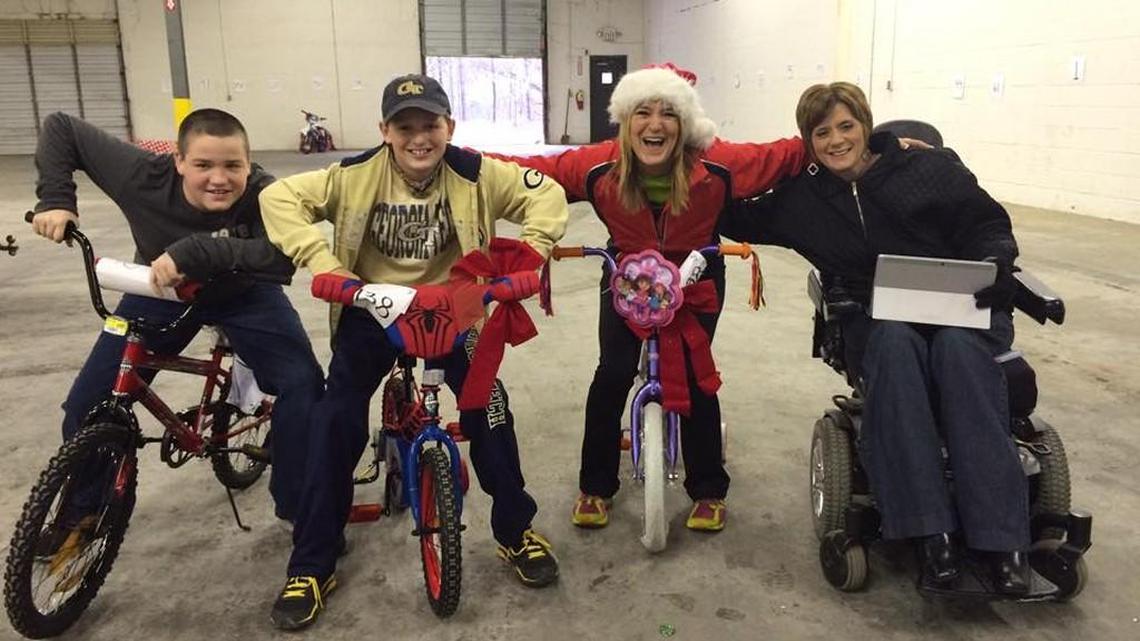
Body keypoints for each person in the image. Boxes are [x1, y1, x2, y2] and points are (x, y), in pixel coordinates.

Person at [259, 74, 568, 630]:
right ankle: (311, 563)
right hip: (372, 308)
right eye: (405, 127)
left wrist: (531, 254)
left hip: (456, 308)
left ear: (449, 126)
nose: (419, 137)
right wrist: (323, 263)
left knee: (488, 409)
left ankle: (515, 532)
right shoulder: (352, 175)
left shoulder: (476, 171)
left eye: (431, 124)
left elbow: (543, 192)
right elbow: (277, 196)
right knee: (335, 421)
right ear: (385, 131)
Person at [724, 81, 1031, 593]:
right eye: (822, 132)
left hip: (956, 303)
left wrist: (996, 261)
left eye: (846, 126)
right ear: (808, 141)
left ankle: (1003, 541)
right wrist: (683, 177)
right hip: (874, 316)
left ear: (866, 124)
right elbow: (731, 213)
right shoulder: (806, 198)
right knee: (892, 345)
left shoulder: (929, 168)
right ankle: (933, 535)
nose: (837, 140)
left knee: (958, 353)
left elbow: (986, 223)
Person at [490, 63, 806, 533]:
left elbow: (787, 154)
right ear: (625, 119)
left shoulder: (718, 164)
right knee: (612, 374)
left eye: (668, 114)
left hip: (695, 274)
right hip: (626, 275)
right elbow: (523, 170)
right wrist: (447, 156)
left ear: (686, 126)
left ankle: (707, 489)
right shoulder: (597, 165)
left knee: (698, 376)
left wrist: (880, 143)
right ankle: (595, 485)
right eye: (643, 111)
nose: (655, 124)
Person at [30, 108, 324, 525]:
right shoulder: (141, 176)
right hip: (159, 291)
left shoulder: (265, 193)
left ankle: (299, 506)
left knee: (303, 386)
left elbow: (279, 259)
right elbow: (62, 127)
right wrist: (56, 198)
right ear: (179, 161)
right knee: (89, 403)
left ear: (249, 162)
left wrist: (197, 251)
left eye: (232, 166)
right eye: (203, 165)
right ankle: (85, 512)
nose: (218, 179)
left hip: (245, 292)